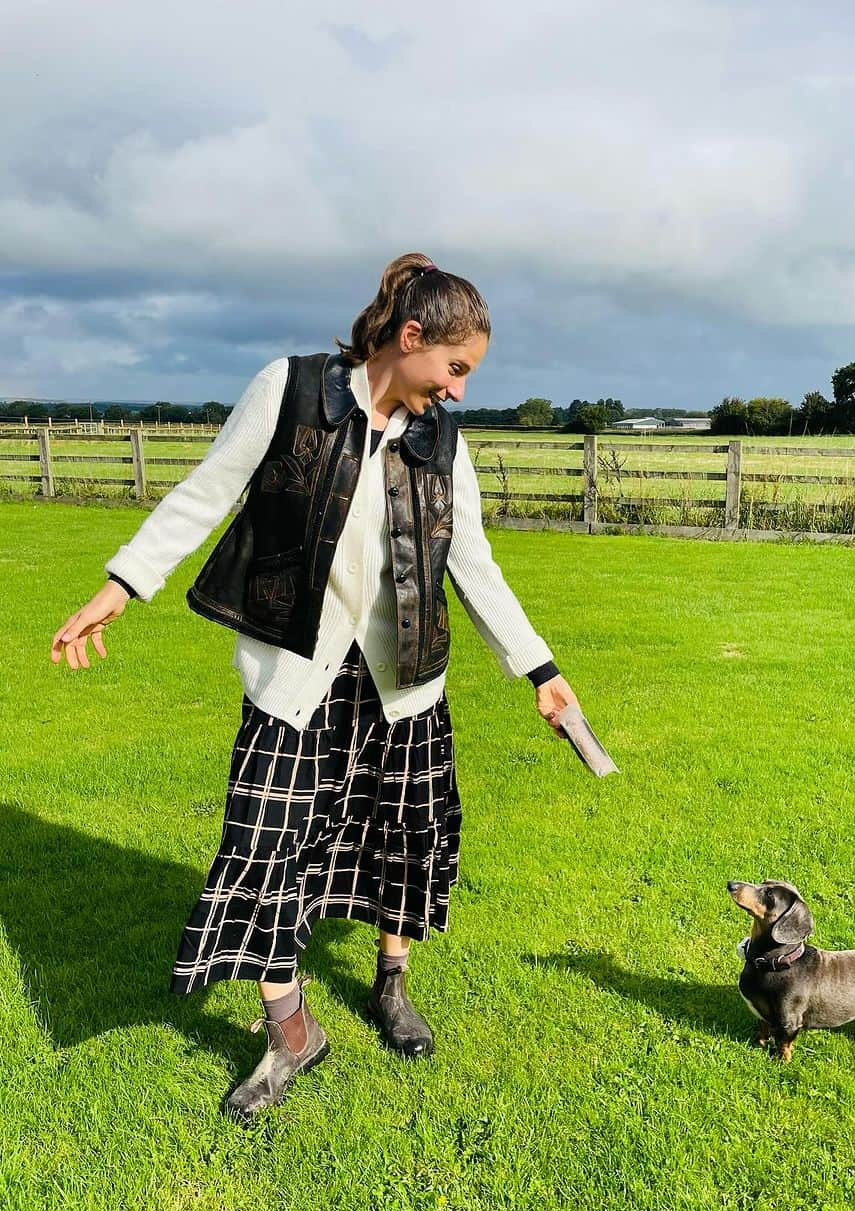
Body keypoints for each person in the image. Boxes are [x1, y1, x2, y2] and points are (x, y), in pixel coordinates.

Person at [50, 252, 577, 1124]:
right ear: (410, 339)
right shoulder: (291, 391)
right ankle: (290, 1028)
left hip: (404, 681)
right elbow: (204, 494)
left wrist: (541, 671)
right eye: (454, 368)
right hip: (296, 674)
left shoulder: (443, 441)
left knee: (405, 833)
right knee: (263, 849)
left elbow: (469, 561)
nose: (457, 391)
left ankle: (391, 983)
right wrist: (117, 589)